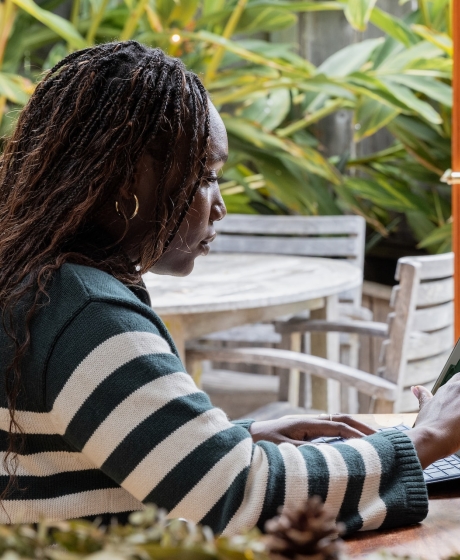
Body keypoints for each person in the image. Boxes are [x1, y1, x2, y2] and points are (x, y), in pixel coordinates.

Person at [0, 41, 459, 536]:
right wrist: (429, 437)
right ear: (122, 180)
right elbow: (239, 496)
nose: (218, 206)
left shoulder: (36, 281)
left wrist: (233, 438)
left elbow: (87, 451)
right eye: (205, 176)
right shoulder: (86, 312)